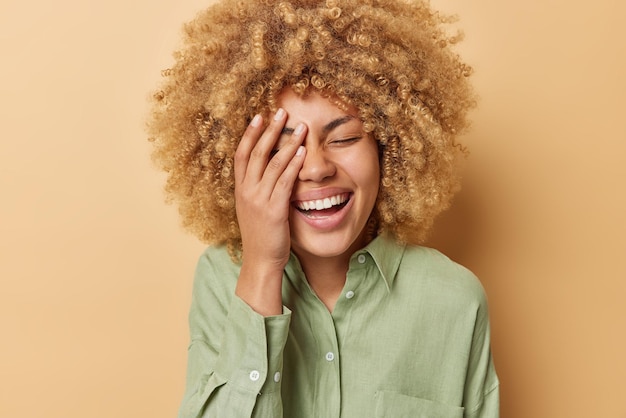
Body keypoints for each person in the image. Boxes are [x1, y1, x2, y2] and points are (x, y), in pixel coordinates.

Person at [147, 0, 499, 416]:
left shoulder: (454, 300)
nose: (315, 168)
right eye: (281, 148)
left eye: (345, 138)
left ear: (389, 146)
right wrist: (261, 267)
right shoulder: (223, 278)